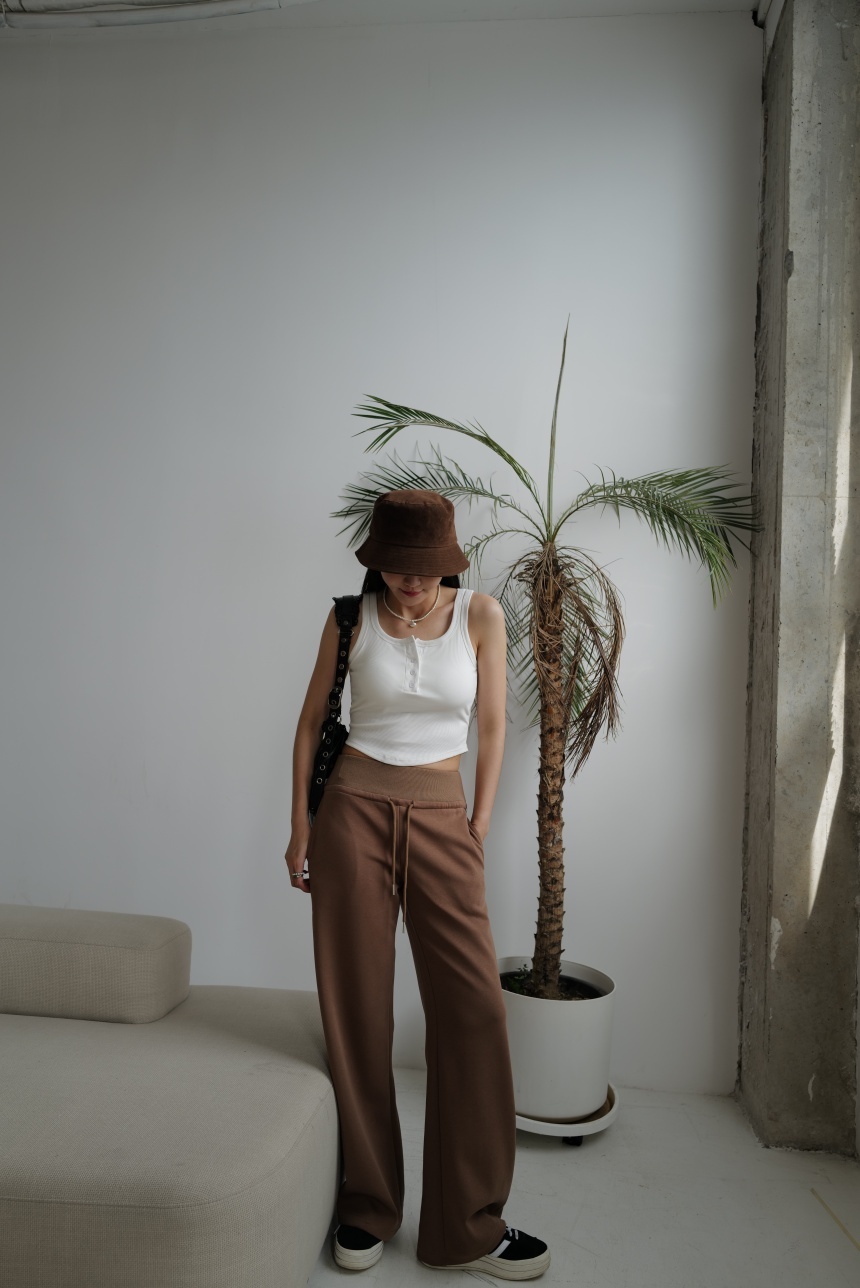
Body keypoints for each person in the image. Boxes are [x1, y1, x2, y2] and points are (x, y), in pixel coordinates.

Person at [285, 489, 550, 1281]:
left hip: (443, 814)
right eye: (398, 566)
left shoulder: (481, 615)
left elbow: (493, 724)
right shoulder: (349, 618)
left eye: (426, 568)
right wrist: (301, 827)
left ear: (449, 562)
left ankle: (469, 1226)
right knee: (357, 1014)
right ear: (377, 561)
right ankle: (368, 1206)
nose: (412, 581)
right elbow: (309, 722)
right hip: (352, 812)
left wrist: (479, 822)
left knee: (473, 1013)